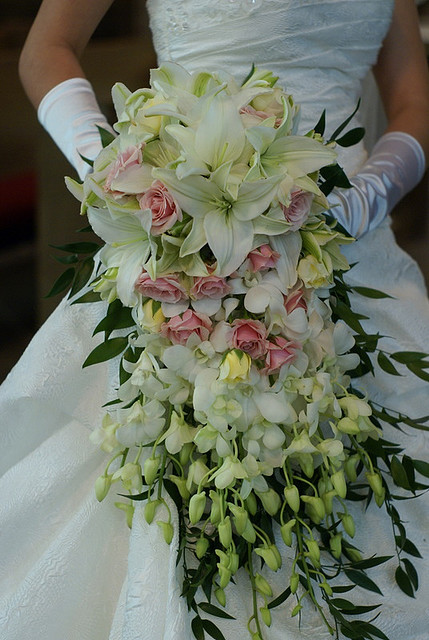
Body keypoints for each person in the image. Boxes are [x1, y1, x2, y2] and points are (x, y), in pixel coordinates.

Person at [1, 0, 429, 638]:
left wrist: (370, 195)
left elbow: (413, 98)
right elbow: (45, 49)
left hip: (345, 245)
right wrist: (126, 174)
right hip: (189, 245)